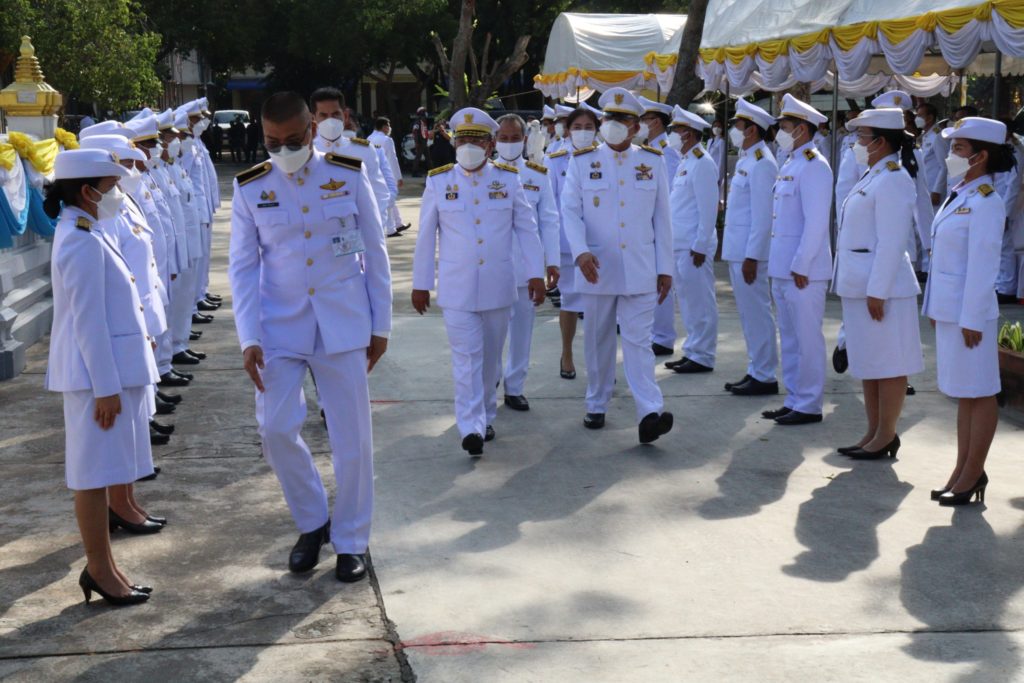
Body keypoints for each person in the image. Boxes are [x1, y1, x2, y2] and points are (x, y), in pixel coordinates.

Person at [228, 91, 392, 581]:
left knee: (351, 439)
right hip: (278, 328)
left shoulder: (347, 174)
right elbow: (242, 268)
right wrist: (248, 337)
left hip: (343, 322)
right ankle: (313, 521)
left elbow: (375, 251)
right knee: (276, 430)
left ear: (313, 131)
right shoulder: (251, 187)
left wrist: (380, 324)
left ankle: (352, 540)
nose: (283, 150)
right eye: (272, 142)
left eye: (293, 141)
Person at [44, 148, 162, 605]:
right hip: (93, 379)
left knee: (101, 472)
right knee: (91, 478)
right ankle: (98, 569)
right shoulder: (79, 240)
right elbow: (88, 322)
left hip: (99, 375)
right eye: (111, 188)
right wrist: (106, 389)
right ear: (87, 191)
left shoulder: (88, 229)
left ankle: (107, 568)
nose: (117, 195)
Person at [412, 107, 545, 456]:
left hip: (498, 285)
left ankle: (485, 415)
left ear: (489, 145)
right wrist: (421, 283)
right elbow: (425, 236)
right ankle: (470, 426)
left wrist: (536, 272)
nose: (468, 146)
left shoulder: (508, 179)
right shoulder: (439, 181)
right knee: (466, 357)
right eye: (462, 140)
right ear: (454, 144)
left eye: (476, 140)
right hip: (456, 288)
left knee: (489, 359)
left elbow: (527, 229)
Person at [561, 87, 674, 443]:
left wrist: (666, 267)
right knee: (598, 340)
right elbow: (570, 212)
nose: (613, 124)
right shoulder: (582, 161)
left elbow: (663, 219)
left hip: (641, 267)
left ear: (636, 126)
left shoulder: (653, 161)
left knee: (639, 342)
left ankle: (649, 412)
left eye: (622, 119)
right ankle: (596, 403)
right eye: (609, 117)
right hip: (596, 267)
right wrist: (580, 252)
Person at [923, 116, 1012, 505]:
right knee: (965, 393)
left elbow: (983, 265)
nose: (951, 154)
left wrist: (972, 318)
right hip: (951, 311)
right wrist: (935, 305)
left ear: (981, 155)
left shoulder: (987, 202)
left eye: (958, 148)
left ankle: (973, 473)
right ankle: (962, 469)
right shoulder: (961, 193)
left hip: (970, 315)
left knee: (980, 391)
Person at [833, 108, 924, 459]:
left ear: (881, 141)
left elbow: (892, 241)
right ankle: (873, 431)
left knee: (889, 364)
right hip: (859, 285)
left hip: (883, 289)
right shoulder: (872, 175)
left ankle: (886, 434)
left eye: (863, 137)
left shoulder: (894, 179)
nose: (857, 143)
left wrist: (878, 290)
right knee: (869, 363)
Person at [761, 94, 833, 426]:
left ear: (802, 129)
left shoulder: (815, 166)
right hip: (783, 268)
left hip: (804, 270)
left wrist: (802, 264)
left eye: (785, 127)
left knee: (807, 339)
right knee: (789, 338)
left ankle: (809, 403)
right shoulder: (791, 163)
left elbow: (816, 222)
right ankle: (793, 398)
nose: (780, 133)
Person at [494, 113, 561, 411]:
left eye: (514, 138)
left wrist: (552, 262)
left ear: (524, 140)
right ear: (495, 140)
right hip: (493, 269)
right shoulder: (485, 173)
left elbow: (550, 221)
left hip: (526, 270)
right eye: (503, 138)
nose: (509, 143)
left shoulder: (537, 175)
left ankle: (515, 387)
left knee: (522, 334)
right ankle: (489, 383)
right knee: (491, 337)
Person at [721, 99, 780, 396]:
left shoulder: (763, 163)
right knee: (748, 314)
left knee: (757, 313)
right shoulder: (748, 159)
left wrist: (752, 256)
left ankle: (765, 374)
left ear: (752, 129)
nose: (734, 129)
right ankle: (756, 368)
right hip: (738, 250)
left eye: (738, 125)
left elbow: (763, 217)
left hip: (749, 253)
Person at [663, 105, 720, 375]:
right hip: (681, 243)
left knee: (701, 303)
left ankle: (704, 355)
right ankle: (693, 350)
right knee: (687, 302)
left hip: (693, 246)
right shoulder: (686, 161)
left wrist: (700, 245)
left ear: (688, 133)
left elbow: (708, 209)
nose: (672, 134)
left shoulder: (703, 162)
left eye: (676, 129)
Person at [547, 105, 600, 380]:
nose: (583, 132)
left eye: (589, 127)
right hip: (567, 244)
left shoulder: (605, 158)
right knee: (569, 301)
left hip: (599, 244)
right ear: (567, 130)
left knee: (599, 307)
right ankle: (566, 354)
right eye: (577, 127)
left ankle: (600, 361)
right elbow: (549, 207)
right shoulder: (556, 161)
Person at [309, 88, 393, 236]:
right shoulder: (307, 152)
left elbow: (379, 195)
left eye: (335, 114)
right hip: (319, 238)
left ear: (345, 115)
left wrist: (373, 234)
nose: (330, 120)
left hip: (357, 236)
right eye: (323, 115)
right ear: (313, 118)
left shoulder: (364, 150)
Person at [638, 96, 682, 357]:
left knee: (662, 280)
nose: (639, 124)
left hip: (660, 225)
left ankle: (663, 337)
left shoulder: (666, 151)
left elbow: (669, 194)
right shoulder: (650, 148)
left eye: (643, 120)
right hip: (648, 225)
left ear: (655, 122)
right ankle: (656, 333)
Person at [369, 117, 411, 234]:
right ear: (384, 127)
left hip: (373, 174)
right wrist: (398, 177)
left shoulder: (369, 138)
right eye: (388, 125)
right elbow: (393, 159)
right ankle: (391, 229)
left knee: (387, 199)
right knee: (388, 200)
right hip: (386, 174)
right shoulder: (387, 140)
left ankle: (398, 223)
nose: (389, 128)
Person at [915, 102, 950, 207]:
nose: (917, 119)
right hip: (925, 185)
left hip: (933, 189)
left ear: (930, 118)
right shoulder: (925, 135)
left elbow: (945, 165)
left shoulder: (938, 136)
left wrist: (937, 190)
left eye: (920, 116)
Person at [413, 106, 431, 176]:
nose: (426, 113)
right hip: (420, 142)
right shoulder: (418, 122)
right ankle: (415, 172)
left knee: (428, 157)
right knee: (418, 157)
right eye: (424, 112)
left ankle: (431, 171)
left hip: (424, 142)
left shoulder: (423, 121)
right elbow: (415, 132)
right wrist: (417, 142)